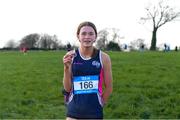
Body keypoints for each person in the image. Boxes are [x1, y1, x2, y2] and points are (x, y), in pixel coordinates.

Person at [62, 21, 113, 119]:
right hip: (74, 110)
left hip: (95, 111)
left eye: (91, 34)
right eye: (83, 33)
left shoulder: (104, 58)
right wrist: (66, 68)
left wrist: (101, 102)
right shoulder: (71, 56)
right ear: (78, 36)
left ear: (95, 36)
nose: (87, 37)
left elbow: (109, 87)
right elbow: (67, 88)